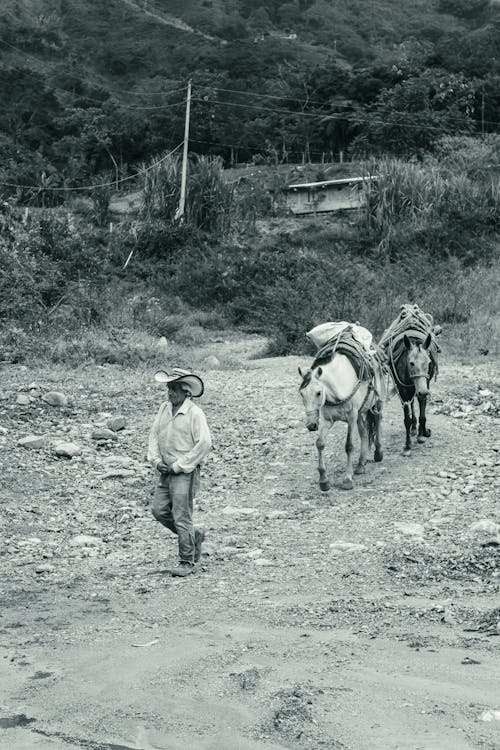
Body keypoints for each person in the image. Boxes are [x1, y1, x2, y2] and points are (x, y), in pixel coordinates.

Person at [148, 368, 212, 577]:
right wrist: (156, 461)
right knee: (159, 510)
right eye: (169, 388)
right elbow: (154, 435)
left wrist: (180, 465)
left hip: (184, 471)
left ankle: (187, 560)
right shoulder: (164, 409)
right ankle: (194, 537)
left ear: (187, 392)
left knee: (181, 515)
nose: (170, 392)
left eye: (175, 388)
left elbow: (204, 444)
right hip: (166, 470)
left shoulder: (194, 413)